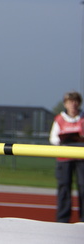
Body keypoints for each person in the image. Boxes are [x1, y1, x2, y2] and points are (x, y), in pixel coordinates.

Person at [49, 91, 84, 223]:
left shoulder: (83, 118)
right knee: (64, 186)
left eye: (75, 101)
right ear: (65, 104)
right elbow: (53, 139)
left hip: (81, 158)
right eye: (70, 102)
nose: (73, 105)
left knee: (83, 186)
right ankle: (63, 218)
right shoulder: (59, 119)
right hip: (64, 158)